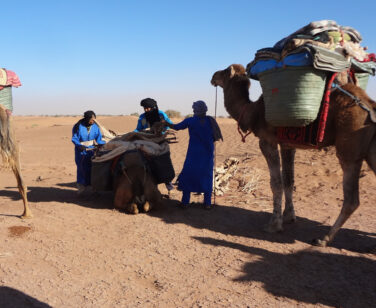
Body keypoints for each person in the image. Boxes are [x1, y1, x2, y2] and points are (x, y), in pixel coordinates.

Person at [168, 100, 223, 209]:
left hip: (193, 154)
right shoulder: (210, 121)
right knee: (206, 176)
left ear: (196, 110)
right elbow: (215, 137)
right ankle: (207, 204)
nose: (193, 110)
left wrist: (166, 123)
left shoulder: (191, 121)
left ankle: (185, 202)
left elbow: (176, 127)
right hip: (207, 154)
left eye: (194, 108)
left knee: (189, 175)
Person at [135, 97, 175, 192]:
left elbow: (170, 125)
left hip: (160, 142)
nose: (146, 110)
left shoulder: (161, 115)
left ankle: (169, 187)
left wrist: (162, 129)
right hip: (147, 142)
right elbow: (138, 129)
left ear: (153, 107)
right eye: (144, 108)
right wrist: (134, 133)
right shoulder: (142, 117)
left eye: (148, 108)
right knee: (147, 164)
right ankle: (153, 187)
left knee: (164, 162)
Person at [72, 110, 106, 195]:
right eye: (92, 119)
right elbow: (74, 138)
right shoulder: (77, 126)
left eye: (94, 119)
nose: (93, 121)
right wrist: (79, 146)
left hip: (92, 150)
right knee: (81, 168)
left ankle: (93, 187)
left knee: (92, 168)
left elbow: (99, 138)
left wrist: (101, 144)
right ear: (87, 119)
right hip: (81, 151)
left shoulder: (95, 127)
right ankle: (81, 187)